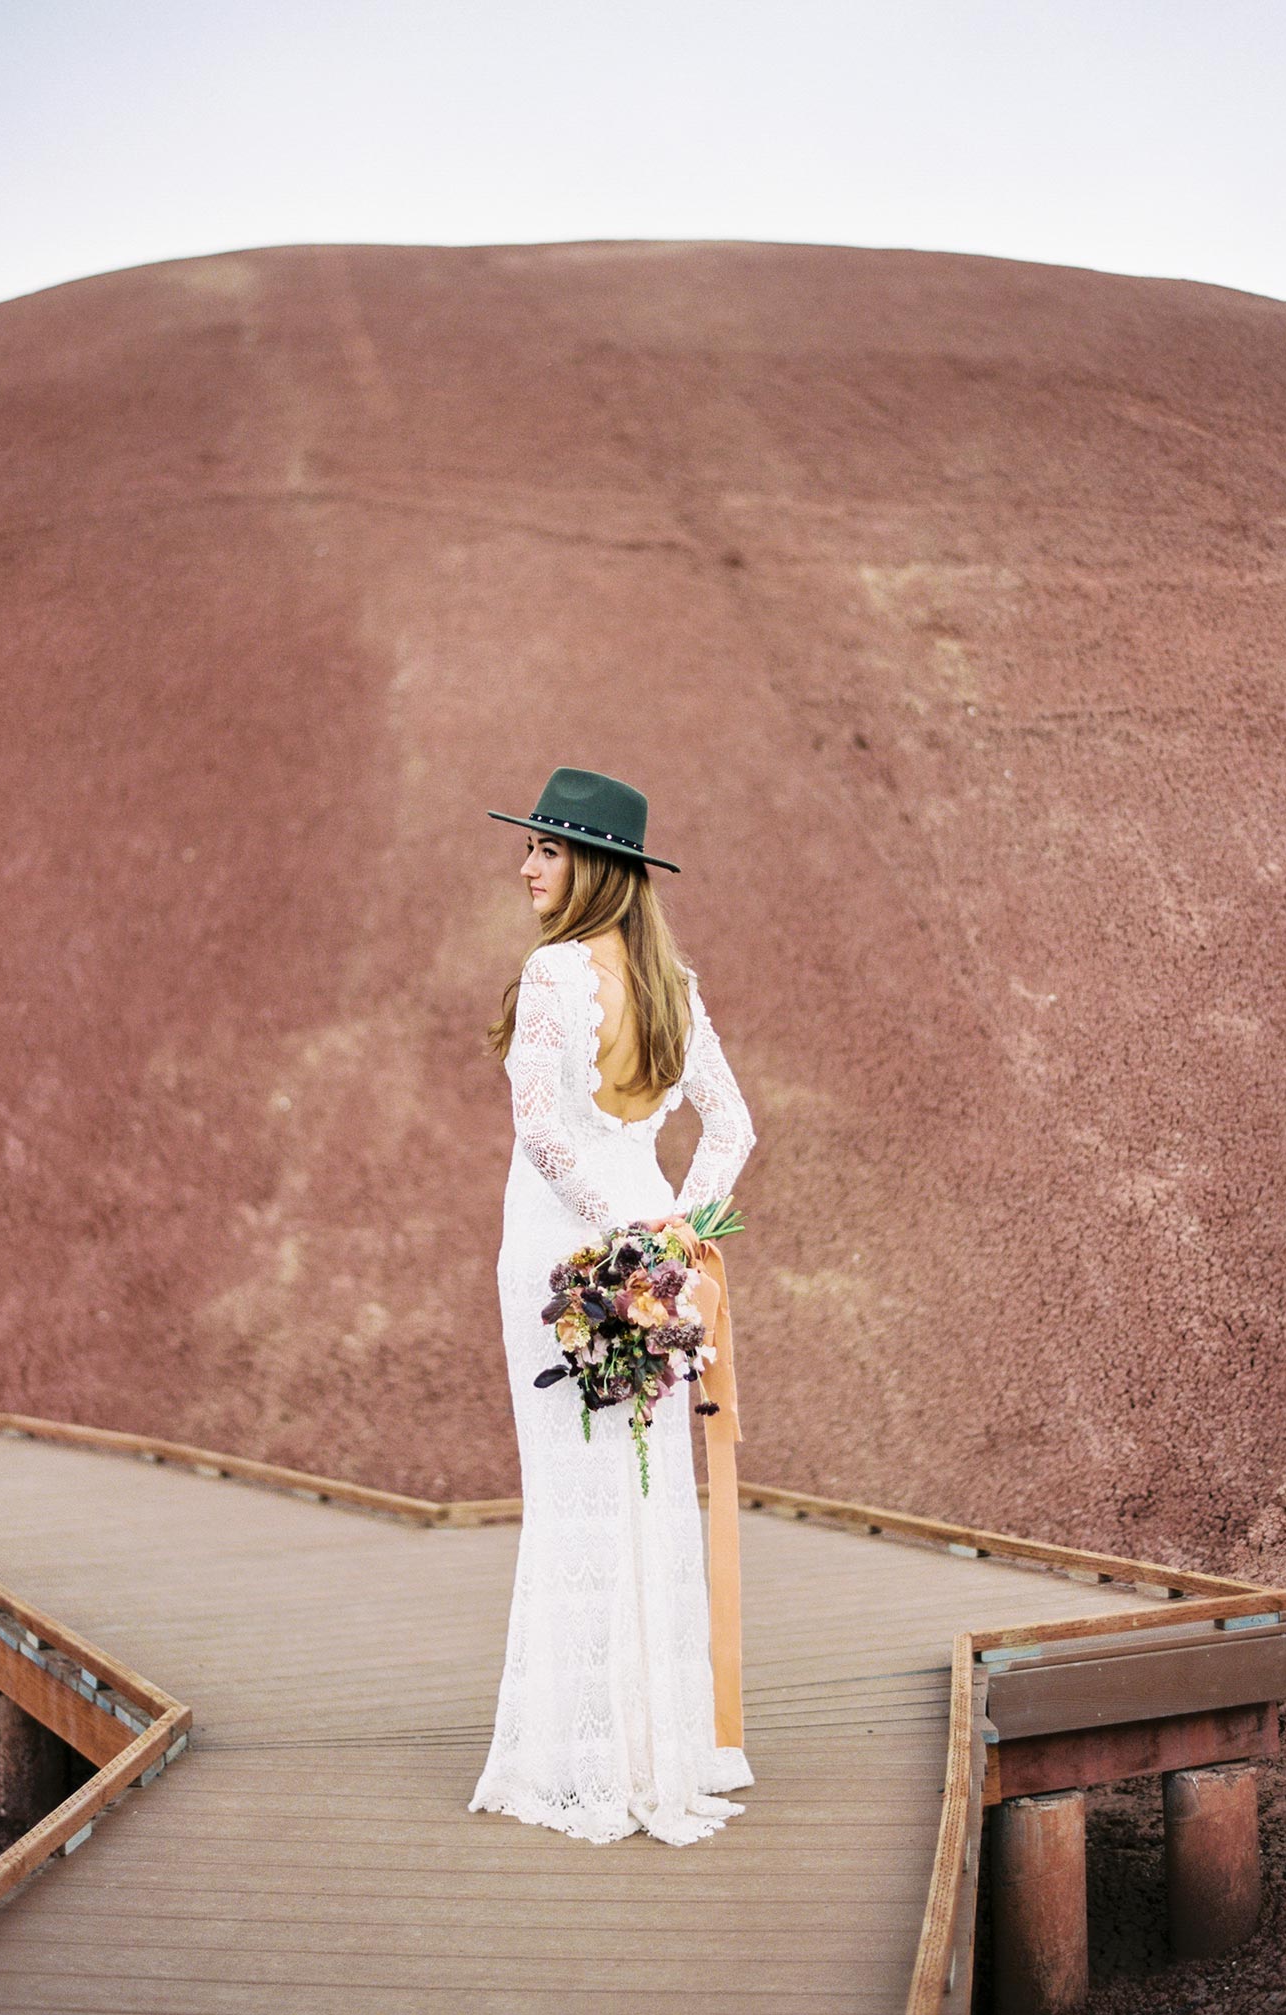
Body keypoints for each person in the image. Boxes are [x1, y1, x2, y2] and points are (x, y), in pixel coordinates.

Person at [467, 766, 758, 1845]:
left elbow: (542, 1132)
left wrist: (622, 1239)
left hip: (563, 1251)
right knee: (643, 1496)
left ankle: (577, 1759)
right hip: (654, 1256)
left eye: (546, 848)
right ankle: (655, 1747)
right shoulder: (672, 981)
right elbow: (731, 1132)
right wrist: (674, 1234)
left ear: (593, 864)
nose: (527, 864)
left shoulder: (553, 975)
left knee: (575, 1490)